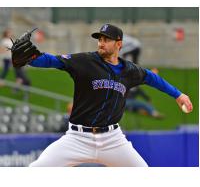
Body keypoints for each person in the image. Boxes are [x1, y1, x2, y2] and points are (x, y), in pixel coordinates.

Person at [13, 23, 192, 167]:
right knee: (36, 172)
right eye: (100, 39)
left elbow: (152, 78)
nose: (101, 42)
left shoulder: (129, 70)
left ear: (119, 44)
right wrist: (32, 59)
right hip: (77, 138)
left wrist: (178, 94)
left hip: (112, 140)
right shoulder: (84, 61)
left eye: (107, 39)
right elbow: (54, 60)